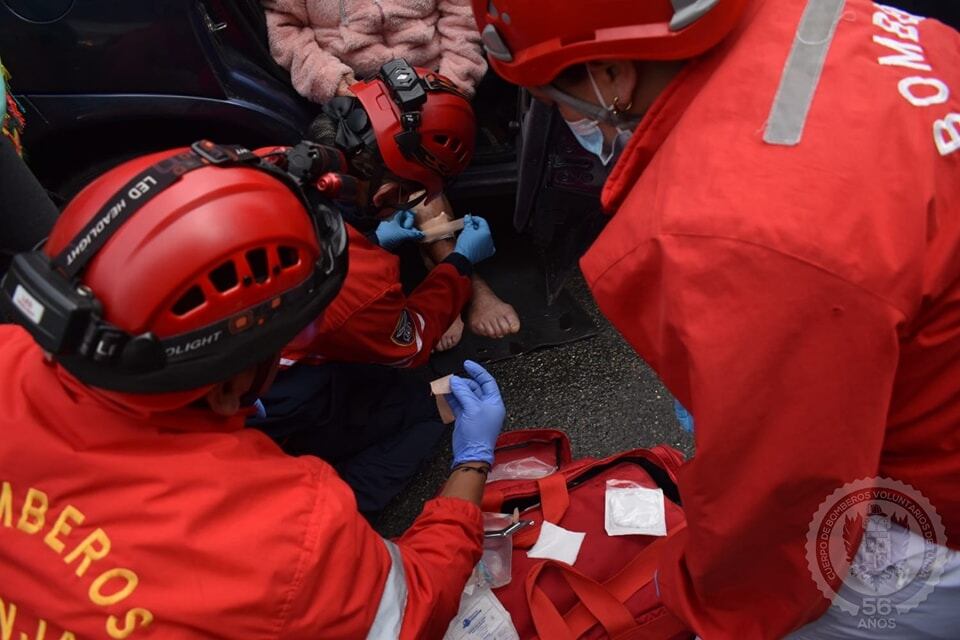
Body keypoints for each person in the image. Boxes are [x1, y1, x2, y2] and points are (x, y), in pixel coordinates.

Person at [471, 0, 960, 638]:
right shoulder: (836, 17)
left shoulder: (730, 234)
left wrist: (704, 607)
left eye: (552, 97)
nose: (564, 120)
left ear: (612, 75)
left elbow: (779, 507)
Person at [0, 140, 506, 638]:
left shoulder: (12, 355)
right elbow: (416, 606)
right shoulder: (287, 531)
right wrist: (472, 462)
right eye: (296, 329)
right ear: (230, 386)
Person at [288, 61, 516, 364]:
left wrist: (374, 238)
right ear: (387, 195)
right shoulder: (370, 286)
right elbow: (414, 342)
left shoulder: (268, 164)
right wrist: (461, 261)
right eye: (416, 194)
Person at [262, 0, 487, 103]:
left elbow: (461, 16)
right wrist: (329, 79)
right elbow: (285, 31)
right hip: (355, 92)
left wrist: (453, 83)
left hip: (434, 79)